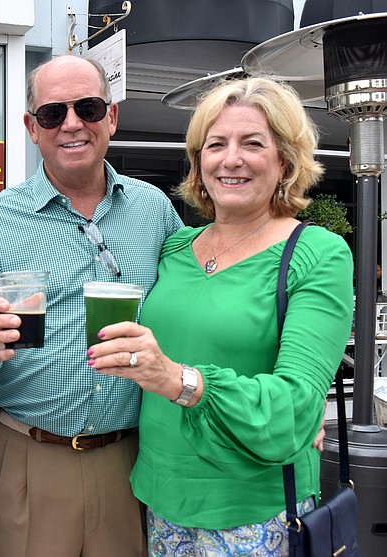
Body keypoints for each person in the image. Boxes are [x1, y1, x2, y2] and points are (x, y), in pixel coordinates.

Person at [89, 77, 354, 555]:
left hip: (255, 514)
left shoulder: (317, 253)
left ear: (285, 161)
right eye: (216, 145)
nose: (230, 159)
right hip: (160, 502)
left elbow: (296, 407)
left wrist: (177, 379)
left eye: (253, 143)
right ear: (198, 161)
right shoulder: (174, 248)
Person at [0, 55, 183, 557]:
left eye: (89, 107)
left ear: (112, 117)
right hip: (28, 457)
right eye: (54, 113)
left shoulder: (154, 209)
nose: (72, 123)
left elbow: (194, 309)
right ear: (32, 128)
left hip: (133, 457)